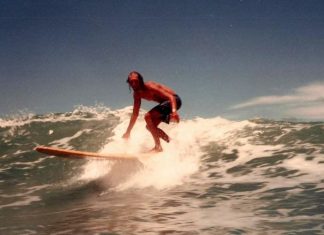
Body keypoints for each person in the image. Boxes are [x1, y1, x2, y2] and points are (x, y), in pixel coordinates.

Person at [122, 71, 182, 152]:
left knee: (147, 116)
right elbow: (135, 114)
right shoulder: (137, 95)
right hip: (165, 105)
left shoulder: (150, 86)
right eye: (131, 81)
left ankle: (158, 147)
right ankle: (171, 143)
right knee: (150, 127)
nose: (133, 83)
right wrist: (128, 132)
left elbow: (171, 96)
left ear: (140, 80)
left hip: (174, 100)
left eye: (135, 81)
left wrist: (174, 112)